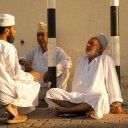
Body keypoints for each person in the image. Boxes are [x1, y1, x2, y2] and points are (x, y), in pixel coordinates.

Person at [45, 33, 127, 119]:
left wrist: (117, 105)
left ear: (100, 49)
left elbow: (112, 82)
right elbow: (76, 83)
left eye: (91, 43)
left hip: (94, 97)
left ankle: (68, 110)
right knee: (51, 93)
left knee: (101, 96)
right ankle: (82, 109)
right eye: (88, 42)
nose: (88, 45)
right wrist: (73, 97)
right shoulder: (80, 60)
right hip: (78, 97)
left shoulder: (106, 59)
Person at [0, 14, 40, 123]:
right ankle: (13, 107)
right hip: (3, 92)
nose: (15, 33)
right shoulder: (8, 47)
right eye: (14, 29)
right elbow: (16, 74)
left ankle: (11, 108)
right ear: (7, 30)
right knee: (35, 84)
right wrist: (31, 76)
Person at [19, 22, 72, 100]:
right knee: (20, 67)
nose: (40, 38)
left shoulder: (58, 51)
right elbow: (20, 58)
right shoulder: (35, 51)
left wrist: (51, 71)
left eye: (42, 35)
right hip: (36, 90)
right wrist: (25, 62)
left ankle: (57, 99)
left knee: (66, 70)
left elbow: (68, 62)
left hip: (51, 90)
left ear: (49, 37)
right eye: (38, 35)